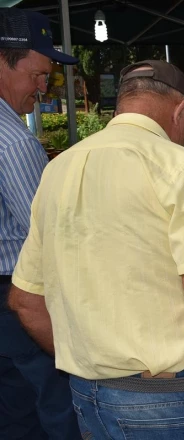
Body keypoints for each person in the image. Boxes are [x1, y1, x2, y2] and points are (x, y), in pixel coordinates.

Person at [8, 60, 184, 440]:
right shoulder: (178, 165)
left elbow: (25, 301)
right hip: (169, 399)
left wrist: (92, 364)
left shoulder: (58, 168)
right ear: (182, 110)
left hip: (87, 394)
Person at [0, 8, 80, 440]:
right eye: (37, 75)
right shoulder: (14, 142)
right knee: (54, 404)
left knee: (13, 411)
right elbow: (50, 237)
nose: (43, 88)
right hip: (19, 298)